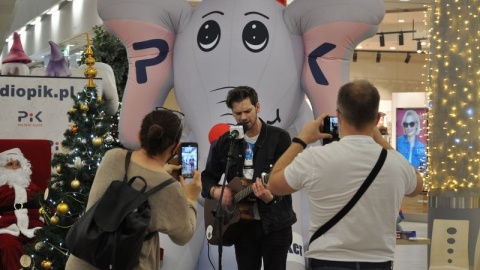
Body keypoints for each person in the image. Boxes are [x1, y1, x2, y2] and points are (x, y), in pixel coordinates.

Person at [267, 80, 423, 270]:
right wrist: (381, 141)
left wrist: (301, 140)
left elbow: (274, 184)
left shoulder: (315, 158)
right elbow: (418, 186)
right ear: (376, 119)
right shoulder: (396, 163)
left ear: (339, 116)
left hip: (327, 261)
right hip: (378, 263)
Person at [66, 108, 202, 270]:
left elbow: (135, 178)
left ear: (140, 136)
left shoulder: (113, 157)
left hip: (83, 260)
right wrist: (190, 199)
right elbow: (183, 235)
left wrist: (160, 172)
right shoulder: (170, 189)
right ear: (175, 148)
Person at [201, 86, 297, 270]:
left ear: (258, 107)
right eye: (237, 113)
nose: (243, 117)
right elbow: (207, 177)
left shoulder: (279, 138)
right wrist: (216, 190)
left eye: (248, 111)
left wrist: (272, 197)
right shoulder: (226, 141)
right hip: (241, 225)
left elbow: (289, 177)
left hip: (276, 224)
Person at [0, 148, 44, 270]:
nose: (14, 167)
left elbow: (45, 207)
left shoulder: (34, 188)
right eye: (10, 164)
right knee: (8, 245)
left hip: (34, 226)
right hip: (7, 227)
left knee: (41, 244)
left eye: (17, 164)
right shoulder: (1, 189)